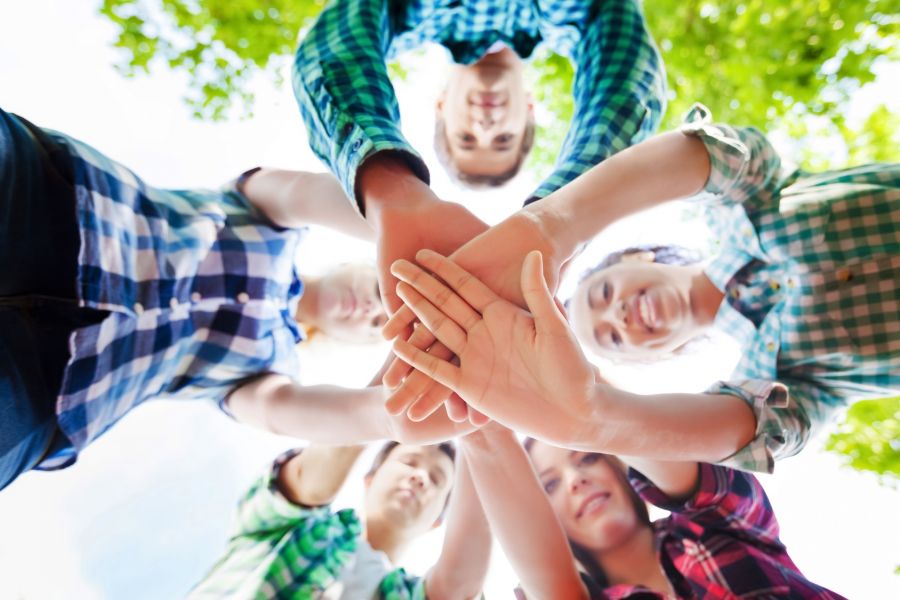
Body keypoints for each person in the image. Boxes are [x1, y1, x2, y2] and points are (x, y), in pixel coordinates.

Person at [383, 106, 899, 471]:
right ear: (650, 359)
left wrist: (552, 225)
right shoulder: (779, 380)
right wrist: (590, 420)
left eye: (603, 295)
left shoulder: (753, 202)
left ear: (635, 257)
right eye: (610, 337)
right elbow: (762, 432)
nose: (620, 316)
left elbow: (719, 157)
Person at [0, 108, 472, 492]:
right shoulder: (272, 219)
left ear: (349, 343)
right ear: (356, 263)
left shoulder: (271, 368)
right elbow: (316, 196)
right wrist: (408, 230)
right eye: (378, 292)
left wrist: (392, 416)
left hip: (53, 387)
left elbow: (284, 412)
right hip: (57, 203)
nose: (371, 310)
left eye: (376, 326)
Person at [293, 0, 666, 320]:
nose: (486, 125)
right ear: (530, 112)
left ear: (440, 107)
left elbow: (331, 49)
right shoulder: (578, 18)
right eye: (504, 139)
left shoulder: (406, 13)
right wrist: (560, 215)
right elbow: (629, 81)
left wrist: (392, 188)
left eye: (467, 138)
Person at [458, 424, 845, 599]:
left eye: (588, 458)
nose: (575, 479)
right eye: (550, 485)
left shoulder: (714, 524)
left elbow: (608, 418)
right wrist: (476, 424)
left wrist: (584, 409)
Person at [189, 441, 491, 599]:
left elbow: (460, 587)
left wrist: (481, 436)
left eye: (437, 480)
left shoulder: (409, 594)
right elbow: (307, 481)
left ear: (436, 522)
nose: (420, 476)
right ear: (370, 479)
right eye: (408, 461)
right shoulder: (291, 527)